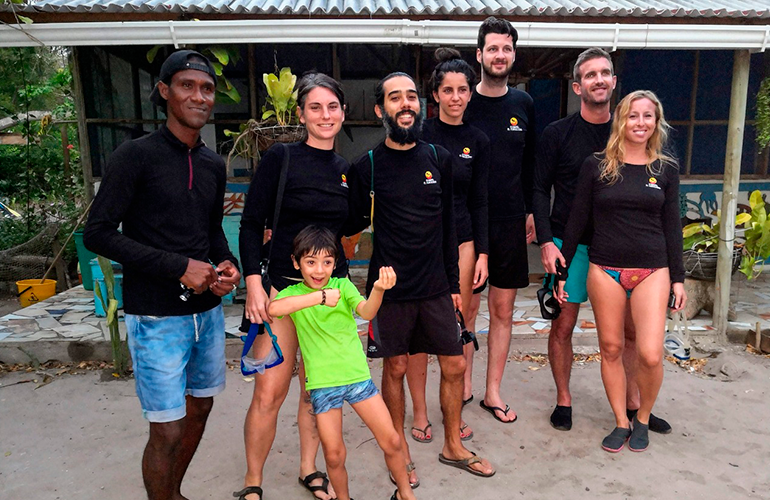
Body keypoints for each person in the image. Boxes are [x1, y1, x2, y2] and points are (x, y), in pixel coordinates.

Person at [83, 50, 241, 500]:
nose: (199, 96)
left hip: (206, 316)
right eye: (187, 86)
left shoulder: (213, 163)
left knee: (200, 410)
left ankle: (173, 494)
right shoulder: (134, 156)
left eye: (207, 88)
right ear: (165, 92)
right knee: (167, 431)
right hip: (155, 317)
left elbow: (211, 232)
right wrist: (179, 267)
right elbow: (98, 233)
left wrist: (225, 264)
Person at [347, 72, 495, 487]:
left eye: (411, 96)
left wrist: (453, 287)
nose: (406, 104)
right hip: (389, 289)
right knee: (394, 367)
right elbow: (350, 226)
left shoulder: (438, 158)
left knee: (453, 363)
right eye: (395, 98)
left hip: (435, 286)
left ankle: (452, 444)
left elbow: (449, 228)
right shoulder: (368, 167)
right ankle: (401, 453)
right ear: (381, 110)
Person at [532, 48, 672, 434]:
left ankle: (633, 404)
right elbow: (539, 189)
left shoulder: (632, 128)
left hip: (624, 249)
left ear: (613, 83)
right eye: (589, 74)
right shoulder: (557, 134)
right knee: (563, 326)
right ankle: (564, 399)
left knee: (629, 335)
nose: (598, 80)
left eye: (604, 73)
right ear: (577, 86)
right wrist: (547, 241)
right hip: (570, 246)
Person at [237, 73, 349, 500]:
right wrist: (254, 285)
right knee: (269, 391)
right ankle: (253, 480)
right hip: (282, 295)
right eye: (315, 107)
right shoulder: (281, 158)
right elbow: (251, 225)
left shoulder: (345, 172)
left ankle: (309, 468)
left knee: (314, 392)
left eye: (332, 106)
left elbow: (349, 228)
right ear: (301, 114)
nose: (325, 115)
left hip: (326, 300)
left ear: (343, 112)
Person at [556, 90, 687, 453]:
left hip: (653, 270)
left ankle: (643, 417)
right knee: (611, 347)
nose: (640, 123)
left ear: (656, 122)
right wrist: (563, 271)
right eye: (633, 116)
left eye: (648, 116)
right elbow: (577, 220)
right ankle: (620, 420)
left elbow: (672, 226)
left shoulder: (666, 168)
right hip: (604, 269)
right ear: (621, 120)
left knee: (650, 353)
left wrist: (678, 278)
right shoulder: (596, 165)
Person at [267, 225, 415, 500]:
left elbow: (367, 310)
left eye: (327, 262)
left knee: (392, 441)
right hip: (323, 385)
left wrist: (379, 289)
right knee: (334, 455)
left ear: (335, 263)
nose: (319, 270)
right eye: (310, 262)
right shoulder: (294, 294)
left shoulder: (343, 285)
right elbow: (273, 309)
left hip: (357, 378)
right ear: (296, 262)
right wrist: (319, 298)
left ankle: (406, 494)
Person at [405, 47, 490, 444]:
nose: (456, 97)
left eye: (463, 89)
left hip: (465, 241)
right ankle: (420, 413)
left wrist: (484, 253)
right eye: (448, 90)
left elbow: (481, 200)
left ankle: (454, 414)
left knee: (459, 326)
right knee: (420, 330)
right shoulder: (419, 136)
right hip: (421, 243)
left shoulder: (478, 140)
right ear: (435, 95)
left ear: (471, 93)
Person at [463, 16, 537, 424]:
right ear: (479, 55)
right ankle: (465, 383)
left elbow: (529, 165)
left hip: (510, 220)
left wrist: (529, 212)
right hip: (470, 223)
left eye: (506, 48)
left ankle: (493, 391)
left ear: (513, 54)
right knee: (469, 311)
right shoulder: (464, 102)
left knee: (504, 310)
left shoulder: (523, 104)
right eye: (492, 48)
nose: (500, 54)